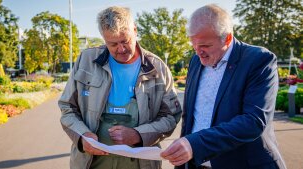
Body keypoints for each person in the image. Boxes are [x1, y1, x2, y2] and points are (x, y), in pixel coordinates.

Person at [161, 4, 286, 169]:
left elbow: (253, 121)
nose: (199, 53)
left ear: (227, 38)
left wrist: (195, 144)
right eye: (194, 46)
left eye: (205, 46)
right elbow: (190, 117)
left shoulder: (259, 60)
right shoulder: (195, 61)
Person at [58, 6, 182, 169]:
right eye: (113, 44)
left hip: (141, 164)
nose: (121, 49)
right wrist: (82, 136)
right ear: (103, 38)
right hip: (91, 162)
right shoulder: (86, 61)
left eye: (125, 41)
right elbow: (68, 107)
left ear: (135, 30)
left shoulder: (157, 68)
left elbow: (170, 117)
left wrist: (138, 135)